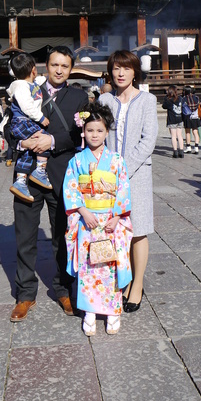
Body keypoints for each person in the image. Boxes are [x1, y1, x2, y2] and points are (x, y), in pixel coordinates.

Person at [10, 46, 88, 323]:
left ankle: (63, 289)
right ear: (45, 66)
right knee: (25, 236)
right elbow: (11, 126)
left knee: (63, 237)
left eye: (64, 66)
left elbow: (82, 135)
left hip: (62, 174)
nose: (58, 70)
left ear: (70, 69)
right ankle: (25, 294)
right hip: (28, 171)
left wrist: (52, 141)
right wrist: (23, 142)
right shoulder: (27, 89)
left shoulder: (79, 96)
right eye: (54, 64)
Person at [63, 103, 133, 336]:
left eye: (99, 131)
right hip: (87, 220)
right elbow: (71, 188)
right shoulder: (77, 161)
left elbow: (123, 189)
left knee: (110, 265)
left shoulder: (116, 160)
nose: (95, 135)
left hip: (110, 221)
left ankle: (113, 310)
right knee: (89, 266)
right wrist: (82, 211)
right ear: (83, 131)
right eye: (90, 130)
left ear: (106, 132)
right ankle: (90, 311)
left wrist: (116, 217)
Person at [100, 50, 158, 313]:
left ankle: (137, 284)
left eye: (126, 68)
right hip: (108, 176)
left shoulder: (147, 100)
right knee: (115, 230)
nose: (121, 73)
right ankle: (123, 278)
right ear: (110, 71)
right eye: (116, 68)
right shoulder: (103, 100)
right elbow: (96, 134)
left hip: (137, 175)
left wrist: (124, 166)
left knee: (138, 229)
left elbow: (149, 140)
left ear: (135, 71)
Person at [7, 52, 52, 201]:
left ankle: (20, 181)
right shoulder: (20, 87)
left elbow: (38, 81)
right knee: (42, 138)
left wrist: (44, 77)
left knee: (26, 152)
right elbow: (27, 106)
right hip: (23, 121)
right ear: (33, 69)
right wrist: (41, 118)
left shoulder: (29, 83)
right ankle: (40, 170)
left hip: (24, 122)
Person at [162, 85, 184, 158]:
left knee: (173, 136)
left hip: (172, 119)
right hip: (179, 118)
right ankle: (181, 150)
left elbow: (164, 106)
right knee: (180, 135)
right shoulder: (180, 98)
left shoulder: (168, 99)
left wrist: (166, 97)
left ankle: (175, 151)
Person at [182, 86, 200, 154]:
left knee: (187, 132)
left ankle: (188, 147)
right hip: (195, 116)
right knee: (195, 132)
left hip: (188, 116)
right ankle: (196, 147)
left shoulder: (184, 98)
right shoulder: (196, 97)